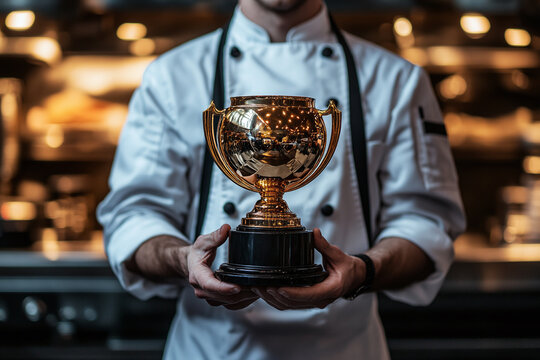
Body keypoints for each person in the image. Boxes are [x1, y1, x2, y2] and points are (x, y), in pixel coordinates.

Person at [97, 0, 466, 359]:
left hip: (342, 350)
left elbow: (425, 224)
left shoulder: (396, 80)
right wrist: (183, 260)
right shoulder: (172, 75)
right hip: (212, 349)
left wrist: (362, 271)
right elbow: (134, 218)